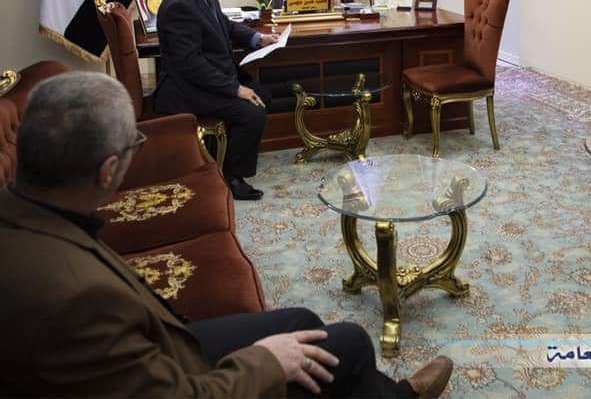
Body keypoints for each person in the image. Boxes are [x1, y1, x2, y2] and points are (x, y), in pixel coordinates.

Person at [0, 72, 453, 398]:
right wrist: (267, 360)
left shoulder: (28, 215)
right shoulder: (78, 300)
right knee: (348, 344)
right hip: (174, 369)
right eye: (134, 145)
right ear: (108, 171)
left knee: (304, 324)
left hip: (154, 345)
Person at [154, 0, 279, 201]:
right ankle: (232, 178)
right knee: (252, 111)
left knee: (263, 94)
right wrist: (235, 89)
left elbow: (226, 26)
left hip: (206, 81)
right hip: (186, 89)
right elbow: (190, 64)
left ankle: (225, 160)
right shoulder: (180, 6)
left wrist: (258, 38)